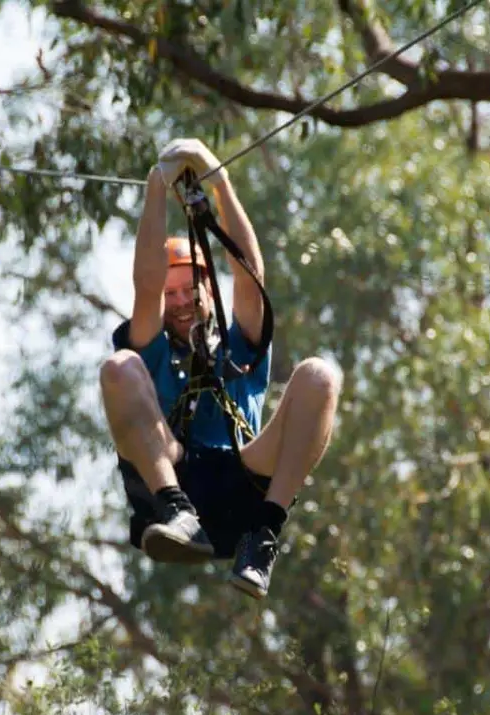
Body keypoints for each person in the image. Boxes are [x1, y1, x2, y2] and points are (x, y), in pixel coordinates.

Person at [99, 137, 342, 599]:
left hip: (245, 481)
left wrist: (220, 182)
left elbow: (250, 275)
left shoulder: (238, 344)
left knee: (319, 377)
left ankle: (264, 536)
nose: (181, 301)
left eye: (189, 288)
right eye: (172, 295)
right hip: (172, 472)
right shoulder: (153, 347)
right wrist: (157, 185)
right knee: (118, 368)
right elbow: (146, 285)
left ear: (210, 286)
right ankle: (174, 509)